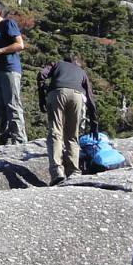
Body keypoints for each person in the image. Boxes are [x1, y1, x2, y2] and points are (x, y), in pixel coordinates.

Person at [36, 53, 95, 184]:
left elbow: (41, 75)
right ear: (76, 62)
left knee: (55, 132)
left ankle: (57, 171)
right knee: (72, 136)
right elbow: (90, 97)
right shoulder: (81, 71)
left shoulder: (57, 64)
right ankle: (74, 172)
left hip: (57, 93)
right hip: (77, 96)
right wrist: (94, 122)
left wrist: (42, 98)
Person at [0, 0, 27, 145]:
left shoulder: (8, 24)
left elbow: (20, 44)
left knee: (12, 104)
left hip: (9, 69)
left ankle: (19, 140)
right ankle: (5, 140)